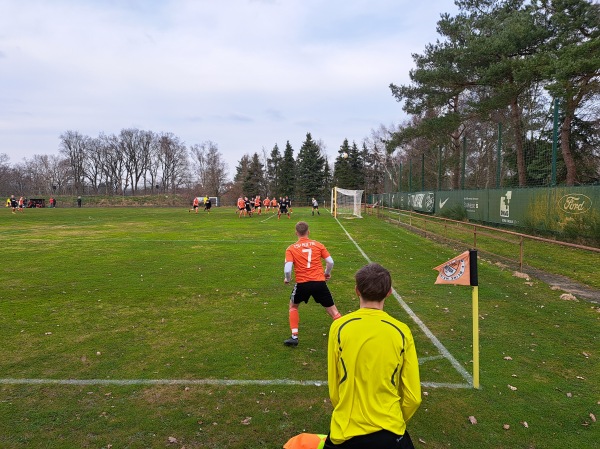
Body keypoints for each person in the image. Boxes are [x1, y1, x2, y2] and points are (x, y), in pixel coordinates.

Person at [325, 263, 421, 449]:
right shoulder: (402, 331)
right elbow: (413, 397)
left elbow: (334, 387)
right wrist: (393, 418)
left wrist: (345, 410)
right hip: (390, 432)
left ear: (356, 291)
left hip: (345, 431)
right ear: (389, 293)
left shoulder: (339, 327)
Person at [283, 221, 341, 346]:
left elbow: (287, 269)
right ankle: (344, 334)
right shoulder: (318, 245)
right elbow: (330, 262)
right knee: (333, 311)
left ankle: (294, 336)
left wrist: (287, 279)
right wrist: (326, 273)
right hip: (319, 283)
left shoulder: (291, 248)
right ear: (308, 232)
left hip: (302, 284)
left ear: (296, 233)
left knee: (293, 307)